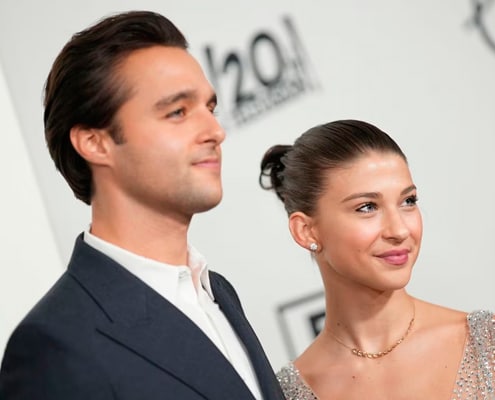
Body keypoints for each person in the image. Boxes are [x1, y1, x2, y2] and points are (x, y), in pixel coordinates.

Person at [0, 11, 284, 400]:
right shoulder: (54, 347)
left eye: (210, 108)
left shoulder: (218, 292)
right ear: (95, 143)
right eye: (177, 112)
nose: (216, 131)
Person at [259, 120, 495, 399]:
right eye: (367, 207)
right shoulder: (289, 393)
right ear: (306, 231)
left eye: (408, 201)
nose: (400, 230)